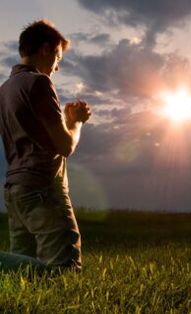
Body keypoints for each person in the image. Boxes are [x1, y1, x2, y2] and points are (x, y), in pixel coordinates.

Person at [0, 19, 91, 272]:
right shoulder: (39, 82)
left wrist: (64, 118)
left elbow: (35, 135)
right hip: (42, 185)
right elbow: (64, 146)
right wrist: (76, 122)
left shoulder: (4, 90)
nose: (57, 68)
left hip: (15, 188)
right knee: (66, 269)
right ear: (45, 49)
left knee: (23, 272)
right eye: (58, 58)